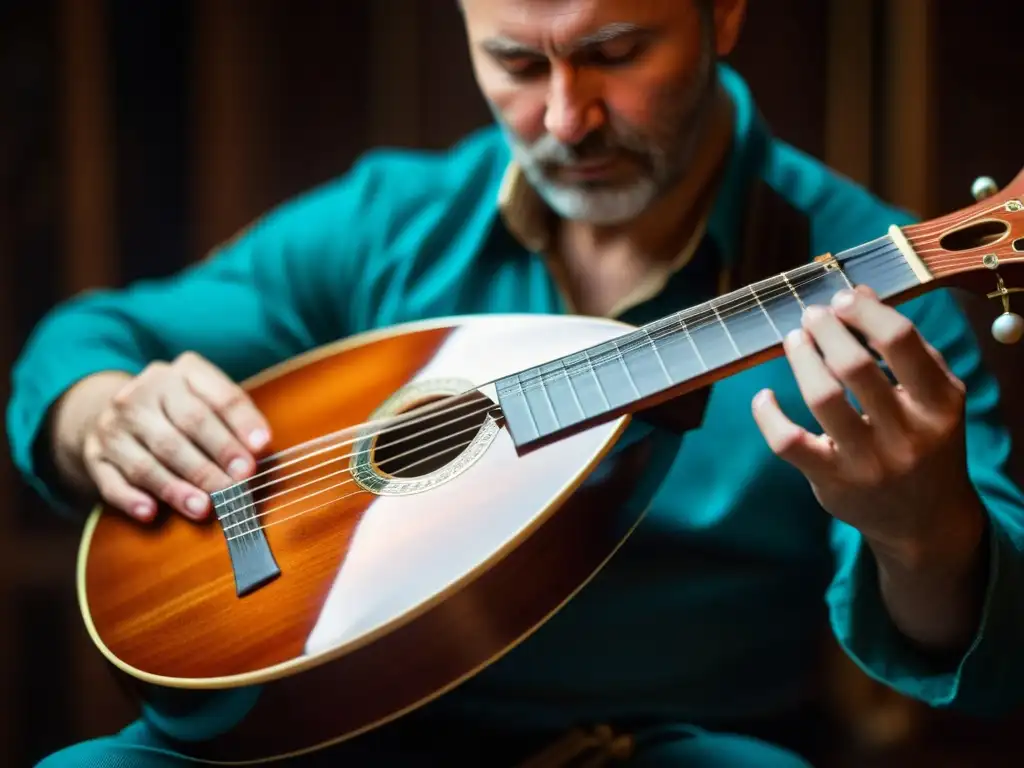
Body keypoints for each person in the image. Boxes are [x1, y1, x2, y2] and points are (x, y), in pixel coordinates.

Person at [8, 0, 1024, 765]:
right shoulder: (392, 222)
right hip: (328, 731)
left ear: (721, 14)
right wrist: (95, 411)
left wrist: (923, 531)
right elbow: (94, 333)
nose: (565, 118)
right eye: (511, 61)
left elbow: (1002, 655)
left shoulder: (875, 282)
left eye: (615, 53)